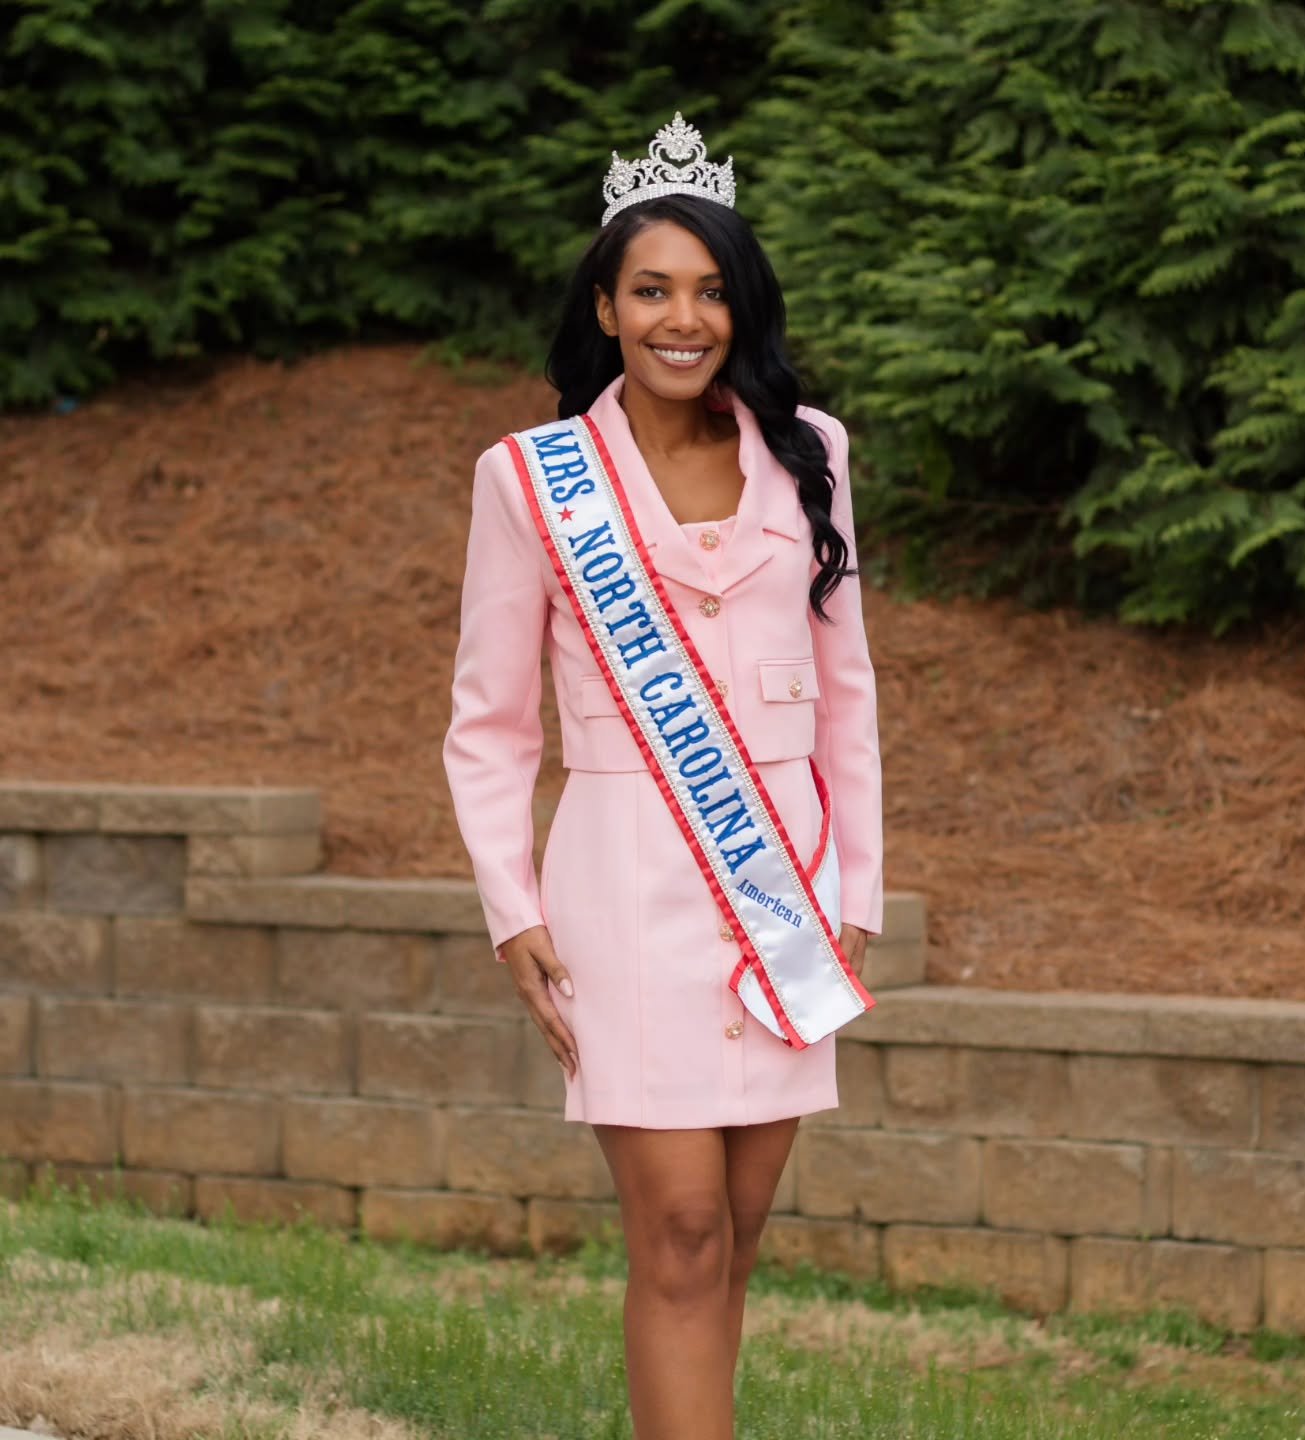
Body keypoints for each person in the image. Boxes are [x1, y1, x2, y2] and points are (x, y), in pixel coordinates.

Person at [442, 112, 883, 1440]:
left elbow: (849, 685)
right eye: (652, 290)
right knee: (681, 1227)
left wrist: (858, 884)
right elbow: (489, 722)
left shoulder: (811, 452)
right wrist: (510, 908)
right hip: (627, 876)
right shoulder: (532, 481)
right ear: (607, 307)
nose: (682, 318)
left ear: (741, 308)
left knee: (733, 1238)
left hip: (782, 877)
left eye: (709, 291)